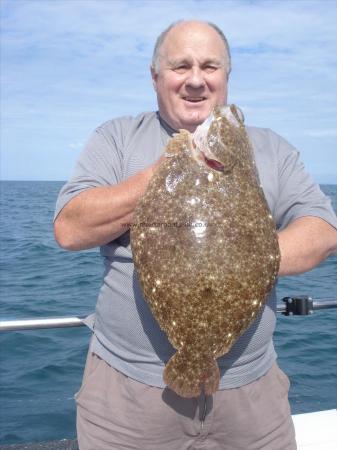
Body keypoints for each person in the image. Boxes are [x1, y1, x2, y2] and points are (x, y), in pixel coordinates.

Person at [54, 20, 337, 450]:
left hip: (250, 395)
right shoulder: (116, 138)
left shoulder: (271, 149)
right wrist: (167, 171)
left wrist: (243, 256)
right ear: (155, 77)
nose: (195, 80)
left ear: (226, 76)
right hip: (129, 397)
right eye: (179, 66)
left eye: (210, 66)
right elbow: (70, 229)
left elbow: (323, 230)